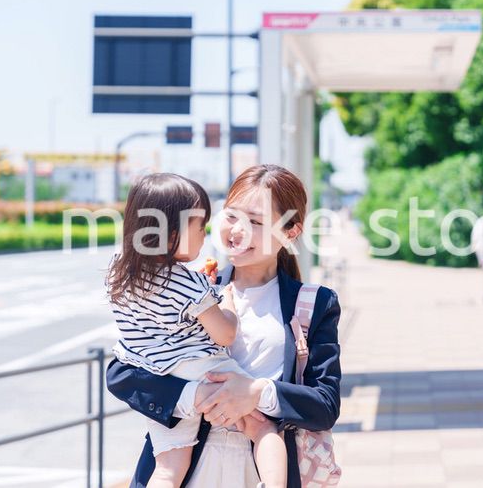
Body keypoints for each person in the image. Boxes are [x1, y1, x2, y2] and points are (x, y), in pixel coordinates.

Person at [106, 164, 342, 488]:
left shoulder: (314, 304)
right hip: (186, 470)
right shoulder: (188, 287)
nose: (237, 230)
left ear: (291, 232)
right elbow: (122, 373)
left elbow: (325, 406)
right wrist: (194, 396)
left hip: (260, 472)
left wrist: (256, 393)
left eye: (256, 222)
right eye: (231, 216)